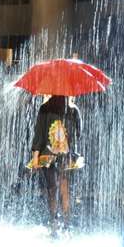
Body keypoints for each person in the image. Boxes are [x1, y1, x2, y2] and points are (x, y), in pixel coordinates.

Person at [30, 95, 81, 232]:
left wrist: (35, 157)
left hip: (48, 155)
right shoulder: (73, 110)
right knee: (64, 187)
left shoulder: (45, 108)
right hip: (65, 154)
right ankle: (66, 224)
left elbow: (39, 135)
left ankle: (54, 223)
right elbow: (78, 134)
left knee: (52, 189)